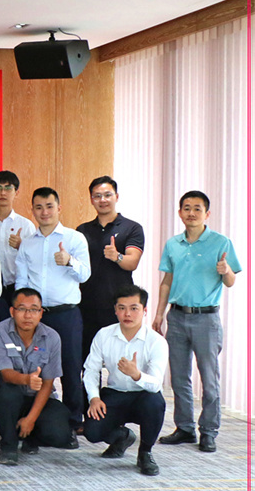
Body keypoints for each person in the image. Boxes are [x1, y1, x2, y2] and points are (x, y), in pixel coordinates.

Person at [152, 190, 241, 453]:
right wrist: (159, 313)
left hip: (206, 319)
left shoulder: (221, 242)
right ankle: (185, 428)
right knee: (179, 377)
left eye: (197, 208)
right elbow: (167, 281)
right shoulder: (173, 244)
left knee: (209, 378)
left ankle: (209, 431)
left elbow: (230, 281)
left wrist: (226, 271)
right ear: (180, 213)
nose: (191, 213)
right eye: (187, 208)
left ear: (207, 213)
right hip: (177, 316)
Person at [15, 187, 92, 428]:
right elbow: (21, 281)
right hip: (36, 316)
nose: (44, 212)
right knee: (33, 366)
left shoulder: (75, 239)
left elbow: (85, 275)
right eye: (39, 207)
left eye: (49, 206)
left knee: (71, 367)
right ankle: (36, 418)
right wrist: (22, 311)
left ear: (59, 208)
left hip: (66, 314)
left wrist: (69, 261)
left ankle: (74, 420)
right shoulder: (27, 244)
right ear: (32, 211)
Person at [83, 285, 167, 476]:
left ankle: (145, 452)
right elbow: (91, 370)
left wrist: (136, 374)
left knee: (155, 403)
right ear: (115, 310)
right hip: (115, 393)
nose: (127, 314)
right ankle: (123, 437)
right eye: (121, 308)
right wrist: (94, 398)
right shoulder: (104, 334)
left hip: (144, 395)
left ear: (144, 311)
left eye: (134, 308)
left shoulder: (157, 341)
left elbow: (155, 384)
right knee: (92, 431)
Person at [0, 288, 78, 465]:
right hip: (11, 395)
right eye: (22, 309)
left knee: (60, 434)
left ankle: (31, 438)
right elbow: (6, 374)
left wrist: (30, 419)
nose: (28, 315)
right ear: (12, 311)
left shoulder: (52, 337)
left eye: (34, 310)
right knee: (7, 393)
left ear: (41, 313)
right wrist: (27, 380)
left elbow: (48, 383)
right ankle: (8, 447)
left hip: (39, 398)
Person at [76, 176, 145, 359]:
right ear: (91, 200)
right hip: (87, 305)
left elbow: (132, 262)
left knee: (119, 359)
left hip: (119, 306)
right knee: (89, 359)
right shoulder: (82, 230)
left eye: (107, 195)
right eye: (97, 196)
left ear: (117, 197)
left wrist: (117, 256)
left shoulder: (132, 228)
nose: (103, 200)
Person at [0, 170, 36, 304]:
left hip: (17, 288)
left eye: (8, 188)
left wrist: (21, 246)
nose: (3, 193)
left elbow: (36, 258)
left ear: (16, 192)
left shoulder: (26, 225)